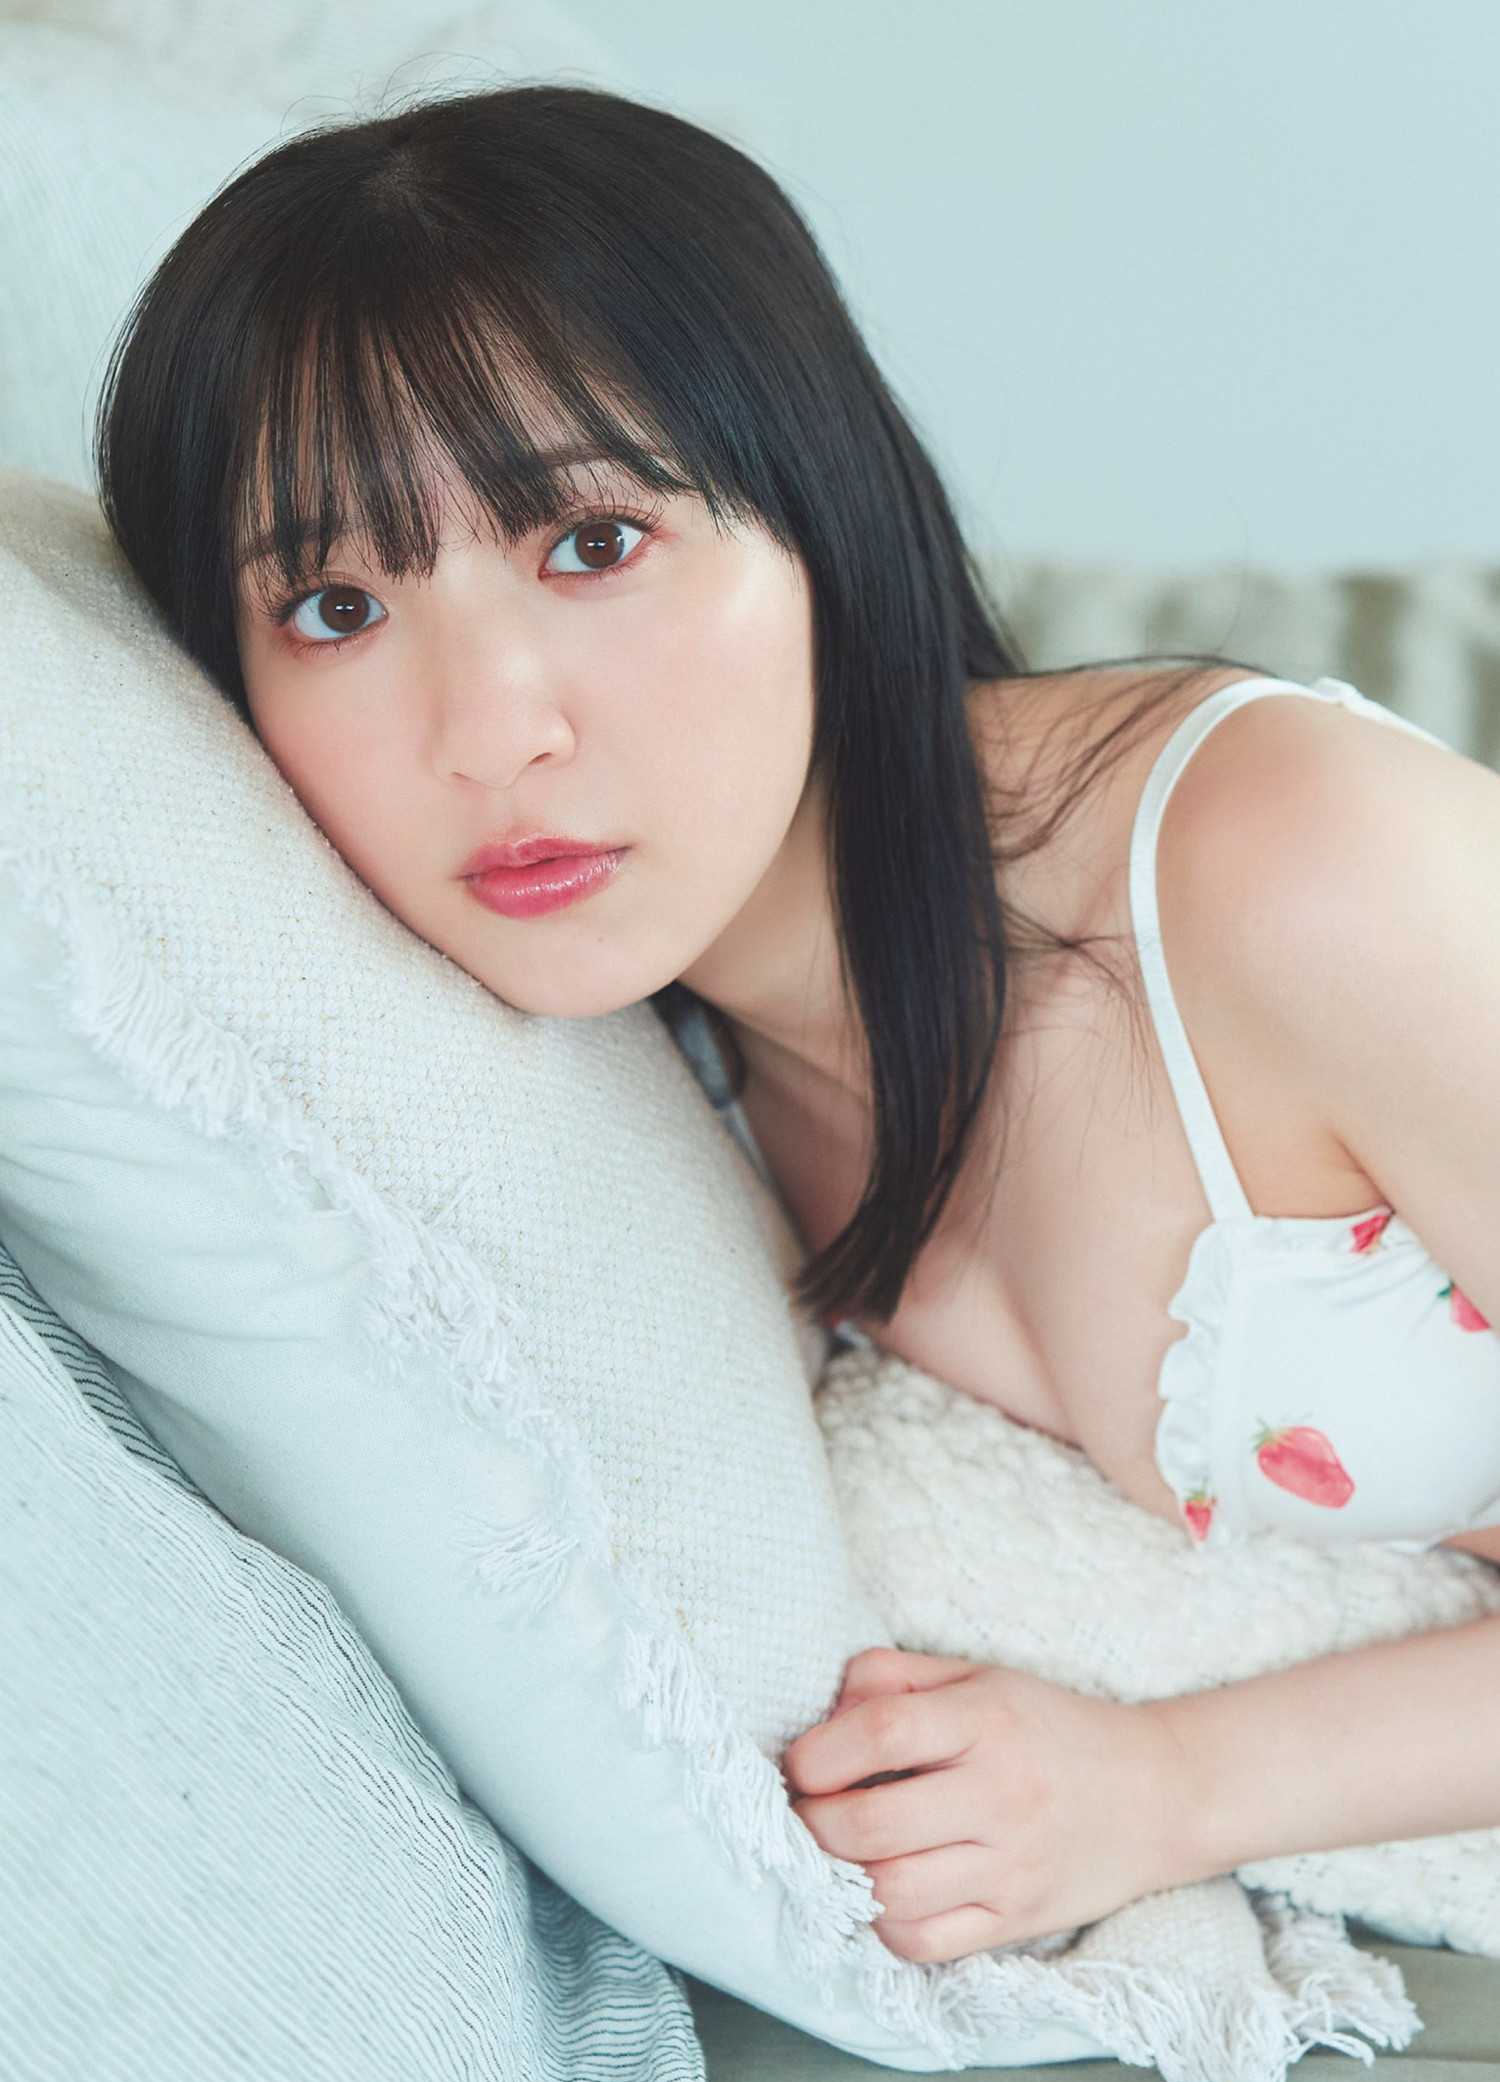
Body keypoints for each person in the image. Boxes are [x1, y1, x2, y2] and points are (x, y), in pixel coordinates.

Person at [92, 79, 1500, 1967]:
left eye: (592, 543)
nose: (489, 731)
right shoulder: (666, 1088)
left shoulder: (1288, 868)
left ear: (823, 519)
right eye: (338, 605)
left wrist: (1168, 1787)